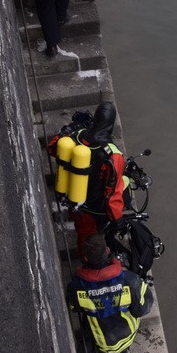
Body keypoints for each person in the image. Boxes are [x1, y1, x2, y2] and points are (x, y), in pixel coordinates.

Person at [66, 234, 154, 353]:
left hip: (103, 342)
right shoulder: (129, 280)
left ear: (85, 258)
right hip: (129, 333)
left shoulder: (78, 287)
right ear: (107, 251)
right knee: (119, 351)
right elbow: (143, 307)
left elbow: (72, 306)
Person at [69, 101, 127, 257]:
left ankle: (86, 258)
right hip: (94, 209)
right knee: (90, 239)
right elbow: (112, 194)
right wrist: (118, 220)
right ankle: (90, 262)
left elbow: (54, 149)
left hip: (72, 197)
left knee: (83, 235)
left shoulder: (78, 135)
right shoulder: (113, 155)